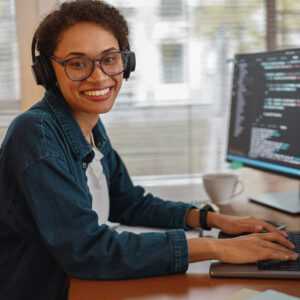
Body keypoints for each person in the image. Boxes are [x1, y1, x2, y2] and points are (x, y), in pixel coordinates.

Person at [0, 1, 298, 299]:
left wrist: (213, 219)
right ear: (47, 71)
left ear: (126, 63)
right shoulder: (36, 133)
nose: (100, 77)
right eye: (78, 63)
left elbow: (129, 202)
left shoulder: (88, 125)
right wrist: (216, 247)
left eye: (110, 59)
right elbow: (87, 251)